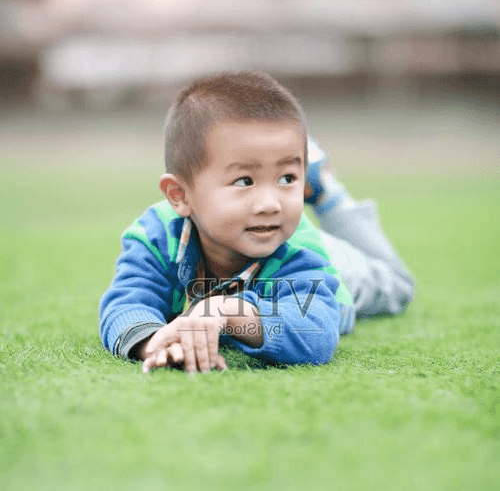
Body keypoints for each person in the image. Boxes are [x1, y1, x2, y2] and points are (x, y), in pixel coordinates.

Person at [100, 71, 413, 374]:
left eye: (287, 178)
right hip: (267, 243)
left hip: (332, 267)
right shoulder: (157, 237)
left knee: (396, 285)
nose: (269, 203)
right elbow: (126, 303)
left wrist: (227, 310)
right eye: (244, 180)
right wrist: (156, 343)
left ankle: (326, 190)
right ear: (180, 195)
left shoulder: (299, 251)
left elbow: (316, 331)